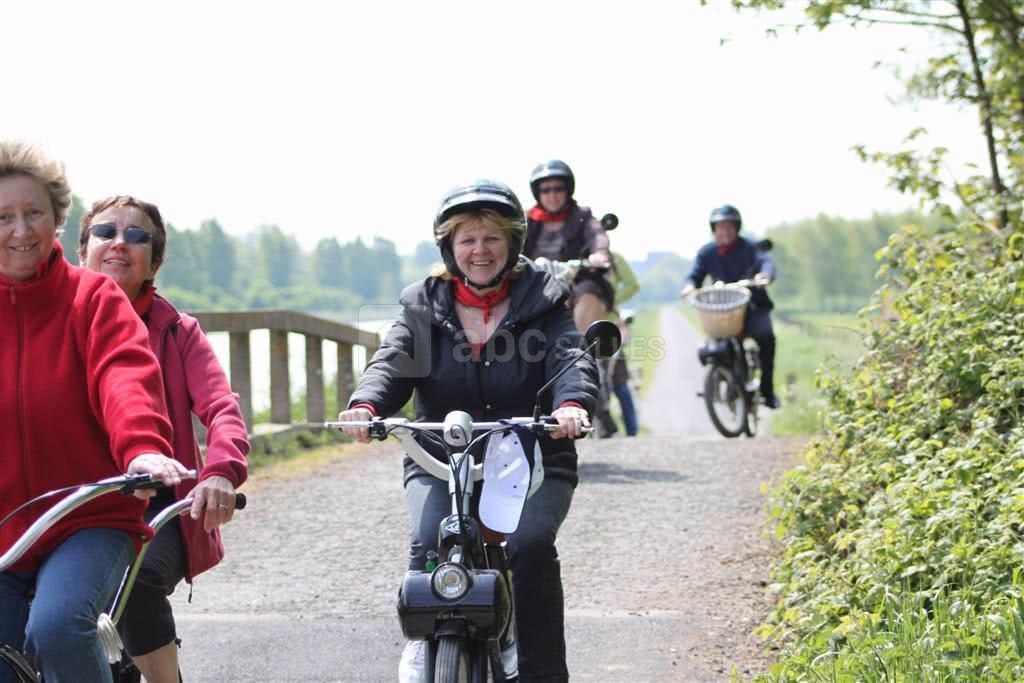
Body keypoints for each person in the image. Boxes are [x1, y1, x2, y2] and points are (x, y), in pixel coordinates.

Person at [337, 179, 598, 682]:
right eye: (468, 240)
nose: (480, 250)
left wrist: (570, 405)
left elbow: (569, 357)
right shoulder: (422, 305)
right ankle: (424, 638)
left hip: (532, 454)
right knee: (429, 536)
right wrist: (366, 405)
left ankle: (540, 668)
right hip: (441, 454)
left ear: (513, 245)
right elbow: (392, 362)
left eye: (493, 238)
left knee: (527, 546)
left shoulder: (544, 299)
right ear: (449, 248)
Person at [0, 141, 187, 683]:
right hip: (6, 522)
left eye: (33, 213)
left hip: (88, 515)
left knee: (59, 627)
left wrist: (143, 448)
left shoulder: (94, 299)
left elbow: (123, 377)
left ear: (57, 218)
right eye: (4, 217)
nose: (20, 230)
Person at [78, 195, 250, 683]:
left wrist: (219, 472)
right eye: (105, 232)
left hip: (159, 507)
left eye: (137, 236)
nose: (119, 243)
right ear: (81, 249)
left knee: (136, 578)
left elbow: (221, 409)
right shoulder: (55, 324)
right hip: (71, 503)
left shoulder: (177, 332)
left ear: (155, 260)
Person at [680, 204, 780, 409]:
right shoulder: (706, 253)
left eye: (729, 227)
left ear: (737, 228)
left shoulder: (751, 248)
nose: (725, 231)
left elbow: (766, 262)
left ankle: (767, 392)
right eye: (720, 227)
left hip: (753, 306)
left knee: (766, 338)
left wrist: (764, 276)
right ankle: (719, 379)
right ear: (713, 229)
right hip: (722, 309)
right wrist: (689, 286)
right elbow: (695, 275)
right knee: (713, 347)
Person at [522, 160, 613, 332]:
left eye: (558, 188)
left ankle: (583, 352)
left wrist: (599, 252)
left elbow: (597, 234)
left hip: (577, 280)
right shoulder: (527, 221)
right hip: (535, 283)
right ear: (537, 193)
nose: (552, 195)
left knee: (588, 293)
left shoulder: (582, 216)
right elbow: (509, 240)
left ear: (568, 189)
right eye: (546, 190)